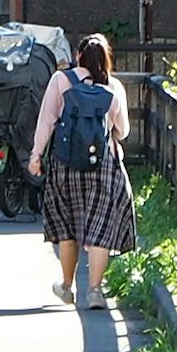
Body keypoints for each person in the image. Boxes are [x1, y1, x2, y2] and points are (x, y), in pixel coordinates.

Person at [29, 33, 134, 308]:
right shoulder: (113, 87)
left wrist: (36, 155)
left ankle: (66, 286)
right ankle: (95, 291)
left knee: (67, 228)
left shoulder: (61, 81)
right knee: (100, 227)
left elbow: (46, 121)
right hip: (104, 165)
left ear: (78, 56)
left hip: (65, 164)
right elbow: (122, 131)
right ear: (106, 59)